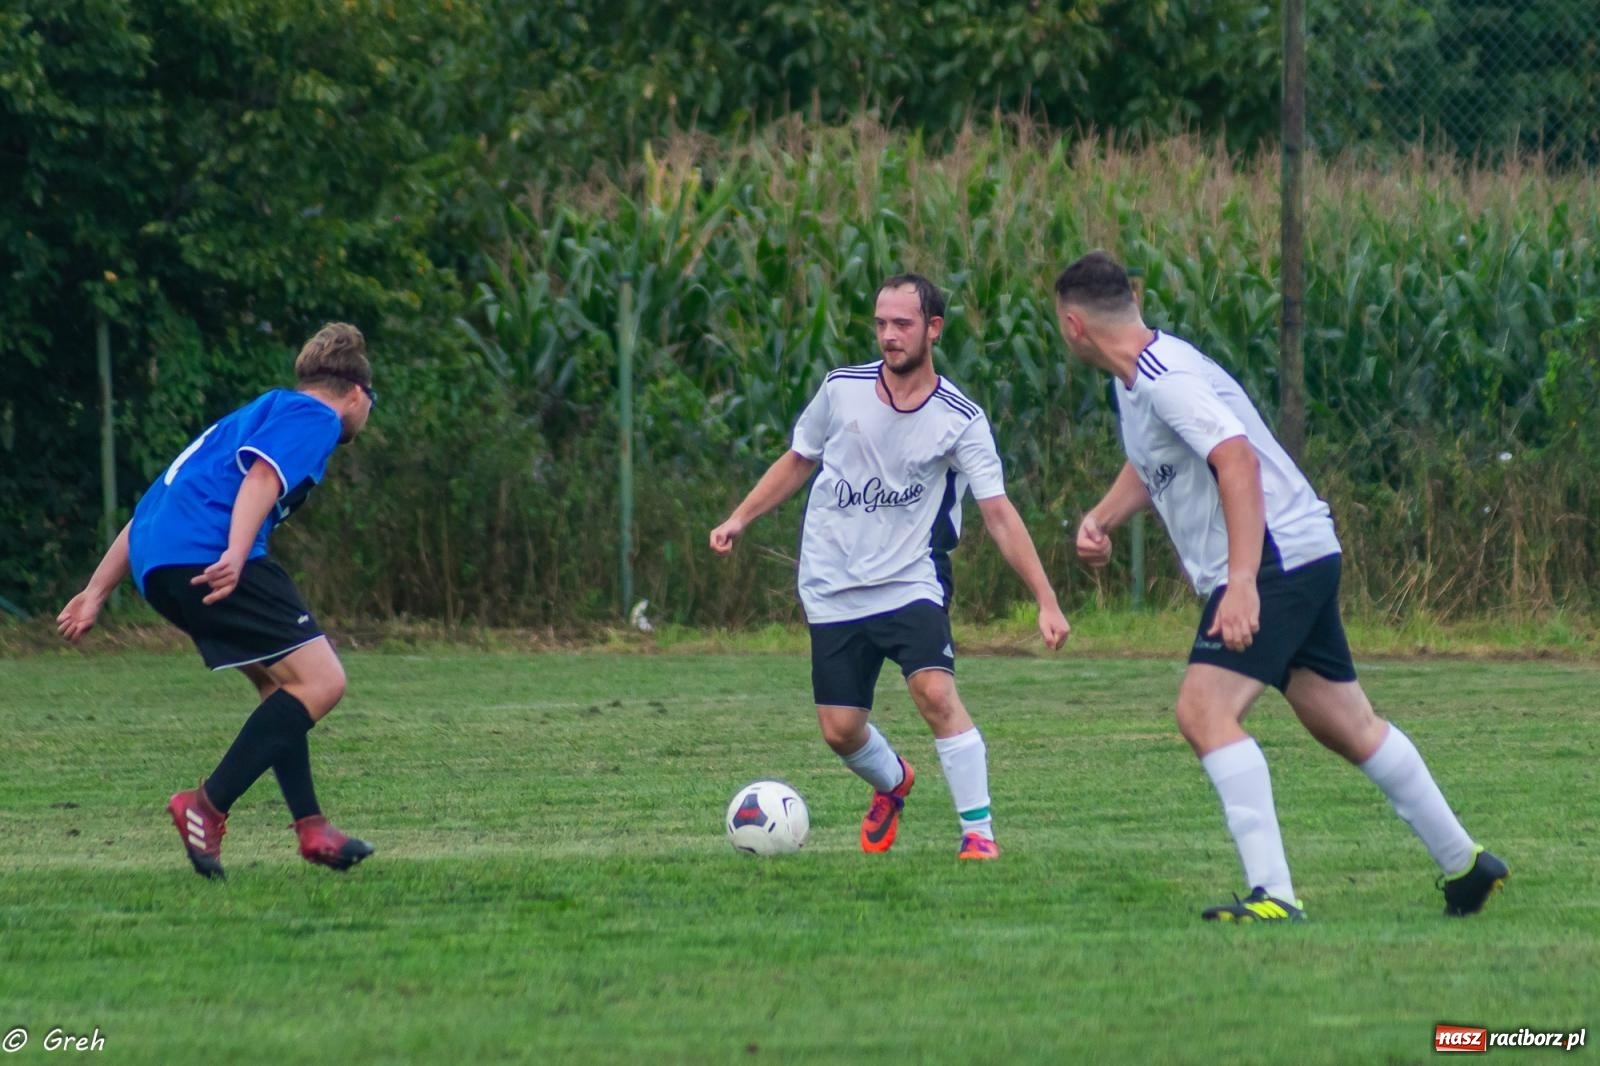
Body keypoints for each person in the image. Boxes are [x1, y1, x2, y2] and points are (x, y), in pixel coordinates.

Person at [1053, 250, 1507, 920]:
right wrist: (1103, 516)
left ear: (1072, 326)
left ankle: (1274, 895)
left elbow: (1232, 457)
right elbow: (1157, 460)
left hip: (1275, 558)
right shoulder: (1143, 376)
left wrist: (1241, 585)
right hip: (1302, 548)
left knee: (1204, 712)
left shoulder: (1163, 377)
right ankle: (1467, 864)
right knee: (1347, 725)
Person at [710, 274, 1071, 860]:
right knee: (840, 730)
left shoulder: (960, 419)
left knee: (933, 691)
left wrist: (1045, 599)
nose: (888, 336)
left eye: (902, 324)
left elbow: (1000, 514)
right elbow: (800, 459)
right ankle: (893, 782)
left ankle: (978, 834)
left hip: (910, 581)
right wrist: (738, 518)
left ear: (933, 328)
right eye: (880, 323)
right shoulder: (840, 390)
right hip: (831, 582)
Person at [57, 323, 378, 880]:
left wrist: (96, 590)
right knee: (323, 682)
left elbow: (150, 512)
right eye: (371, 403)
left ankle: (311, 828)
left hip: (160, 564)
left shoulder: (254, 414)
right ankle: (205, 805)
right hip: (209, 555)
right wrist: (234, 553)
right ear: (356, 393)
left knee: (282, 688)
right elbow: (262, 479)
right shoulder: (315, 416)